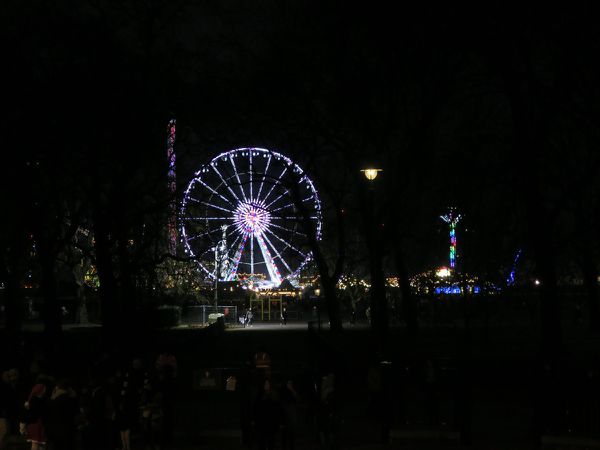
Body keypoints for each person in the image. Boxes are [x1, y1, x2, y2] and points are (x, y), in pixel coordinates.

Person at [252, 379, 283, 450]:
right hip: (261, 421)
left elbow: (278, 409)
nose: (267, 385)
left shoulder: (274, 394)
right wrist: (254, 419)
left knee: (271, 440)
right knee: (261, 440)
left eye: (268, 384)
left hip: (271, 421)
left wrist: (280, 421)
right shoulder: (259, 394)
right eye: (265, 384)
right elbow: (256, 408)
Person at [20, 383, 47, 450]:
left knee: (39, 445)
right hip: (35, 425)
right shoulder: (35, 401)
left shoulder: (36, 400)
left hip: (38, 424)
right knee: (36, 444)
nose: (45, 390)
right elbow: (27, 414)